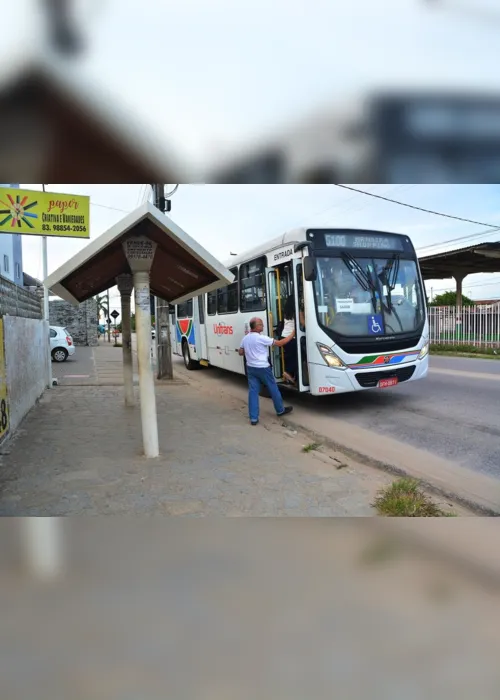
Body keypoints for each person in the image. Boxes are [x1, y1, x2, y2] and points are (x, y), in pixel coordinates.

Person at [239, 317, 295, 426]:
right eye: (261, 324)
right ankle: (280, 410)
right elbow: (279, 343)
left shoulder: (245, 338)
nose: (263, 326)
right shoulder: (261, 338)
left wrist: (249, 351)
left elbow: (241, 352)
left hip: (251, 368)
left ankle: (254, 418)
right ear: (256, 326)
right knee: (273, 388)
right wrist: (292, 334)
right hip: (263, 368)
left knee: (253, 392)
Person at [281, 295, 305, 385]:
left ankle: (292, 376)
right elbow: (303, 323)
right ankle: (287, 372)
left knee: (292, 357)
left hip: (284, 337)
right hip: (292, 338)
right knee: (301, 356)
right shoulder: (297, 311)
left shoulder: (286, 312)